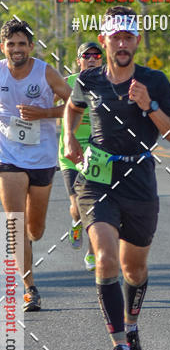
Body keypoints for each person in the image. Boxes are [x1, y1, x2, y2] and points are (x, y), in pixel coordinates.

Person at [63, 5, 170, 350]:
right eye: (114, 37)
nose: (121, 43)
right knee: (104, 257)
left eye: (127, 37)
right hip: (97, 179)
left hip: (139, 179)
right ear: (104, 39)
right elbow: (72, 107)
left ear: (136, 41)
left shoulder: (155, 80)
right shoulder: (89, 80)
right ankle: (119, 347)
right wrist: (70, 136)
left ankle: (131, 328)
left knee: (134, 268)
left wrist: (149, 106)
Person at [0, 17, 71, 311]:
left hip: (41, 157)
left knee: (35, 229)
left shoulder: (46, 72)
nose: (17, 49)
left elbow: (74, 104)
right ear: (3, 47)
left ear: (31, 46)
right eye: (11, 44)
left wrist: (43, 113)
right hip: (8, 156)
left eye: (22, 44)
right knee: (14, 223)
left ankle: (30, 243)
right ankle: (30, 288)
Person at [58, 41, 103, 271]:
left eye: (97, 55)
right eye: (87, 55)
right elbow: (53, 108)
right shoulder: (68, 83)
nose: (92, 58)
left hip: (97, 154)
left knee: (95, 208)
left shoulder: (109, 83)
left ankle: (92, 253)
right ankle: (76, 222)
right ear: (79, 60)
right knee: (76, 205)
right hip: (70, 153)